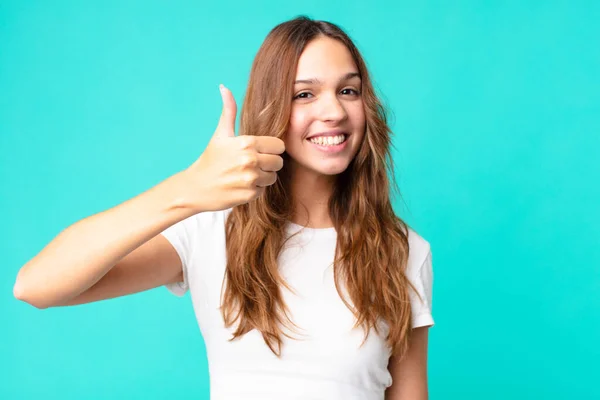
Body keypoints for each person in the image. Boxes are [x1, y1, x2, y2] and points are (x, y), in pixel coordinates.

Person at [13, 16, 434, 400]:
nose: (334, 111)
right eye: (304, 94)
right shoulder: (210, 229)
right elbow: (36, 286)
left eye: (348, 90)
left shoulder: (405, 250)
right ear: (271, 108)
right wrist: (188, 189)